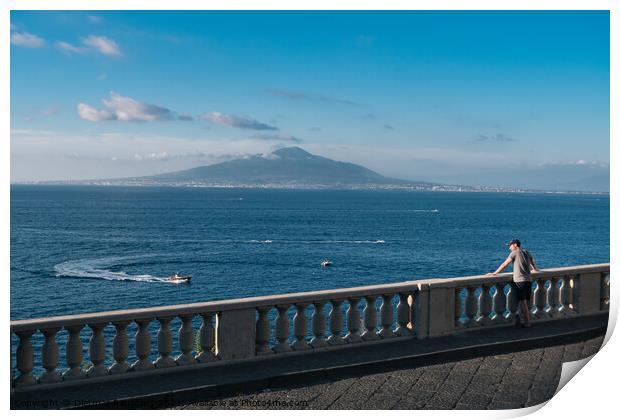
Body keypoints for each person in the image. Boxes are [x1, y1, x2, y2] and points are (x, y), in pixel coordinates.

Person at [486, 238, 539, 328]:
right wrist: (535, 269)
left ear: (515, 245)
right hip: (528, 279)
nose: (509, 247)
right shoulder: (526, 252)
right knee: (525, 300)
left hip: (520, 280)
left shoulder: (514, 253)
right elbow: (532, 262)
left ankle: (527, 322)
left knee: (523, 302)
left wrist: (495, 273)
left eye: (510, 245)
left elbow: (504, 264)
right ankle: (519, 318)